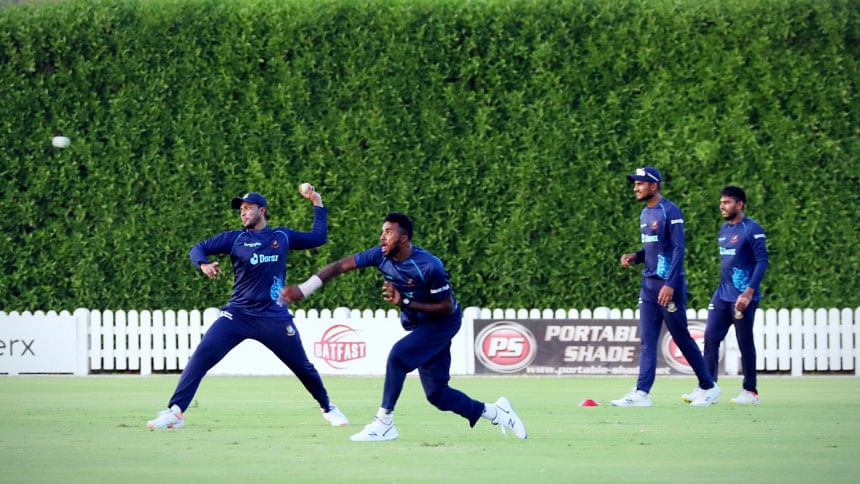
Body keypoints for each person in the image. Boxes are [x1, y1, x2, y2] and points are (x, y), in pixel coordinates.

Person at [281, 212, 527, 441]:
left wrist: (405, 302)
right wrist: (304, 289)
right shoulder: (380, 255)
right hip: (421, 325)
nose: (382, 237)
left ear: (404, 237)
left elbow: (446, 307)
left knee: (398, 356)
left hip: (442, 323)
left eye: (388, 232)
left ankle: (384, 422)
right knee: (438, 395)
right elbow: (339, 266)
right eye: (382, 231)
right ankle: (496, 411)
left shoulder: (430, 266)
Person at [146, 187, 349, 430]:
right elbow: (197, 248)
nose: (242, 213)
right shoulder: (235, 239)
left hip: (273, 317)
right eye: (241, 209)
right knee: (201, 357)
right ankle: (175, 411)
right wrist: (203, 264)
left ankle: (328, 407)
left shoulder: (282, 236)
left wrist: (317, 201)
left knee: (303, 368)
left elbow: (318, 237)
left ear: (261, 211)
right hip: (238, 315)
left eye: (247, 208)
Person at [613, 166, 720, 407]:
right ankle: (642, 393)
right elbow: (654, 250)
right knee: (647, 340)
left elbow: (678, 249)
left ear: (653, 185)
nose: (636, 188)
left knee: (681, 337)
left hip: (668, 287)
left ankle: (708, 386)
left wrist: (670, 284)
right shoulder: (645, 213)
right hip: (648, 287)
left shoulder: (670, 211)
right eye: (635, 183)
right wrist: (635, 257)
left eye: (640, 183)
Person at [683, 186, 767, 405]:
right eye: (721, 202)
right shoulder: (724, 229)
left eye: (727, 202)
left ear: (740, 204)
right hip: (722, 295)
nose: (722, 206)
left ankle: (750, 391)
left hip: (743, 297)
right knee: (710, 338)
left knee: (744, 342)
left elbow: (762, 261)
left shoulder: (752, 229)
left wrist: (749, 292)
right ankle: (708, 387)